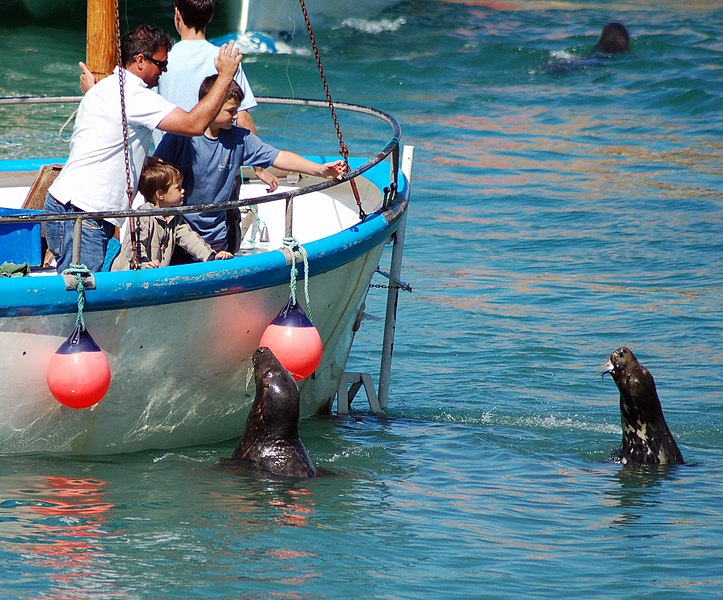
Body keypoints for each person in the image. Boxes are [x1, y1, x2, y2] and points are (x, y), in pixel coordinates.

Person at [45, 24, 242, 274]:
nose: (165, 70)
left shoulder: (103, 89)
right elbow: (194, 124)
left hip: (63, 205)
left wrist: (146, 161)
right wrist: (225, 76)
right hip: (85, 214)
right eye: (161, 64)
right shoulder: (135, 97)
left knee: (80, 291)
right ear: (140, 60)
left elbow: (107, 140)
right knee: (83, 298)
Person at [154, 75, 347, 254]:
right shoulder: (180, 137)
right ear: (212, 106)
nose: (236, 116)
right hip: (178, 237)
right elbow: (155, 172)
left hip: (217, 240)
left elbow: (278, 157)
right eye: (231, 111)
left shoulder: (240, 138)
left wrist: (320, 170)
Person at [111, 157, 232, 270]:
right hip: (130, 273)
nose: (183, 191)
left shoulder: (174, 217)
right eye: (178, 188)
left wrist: (211, 256)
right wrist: (143, 263)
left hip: (153, 272)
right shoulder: (143, 215)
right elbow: (134, 245)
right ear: (160, 195)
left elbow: (190, 239)